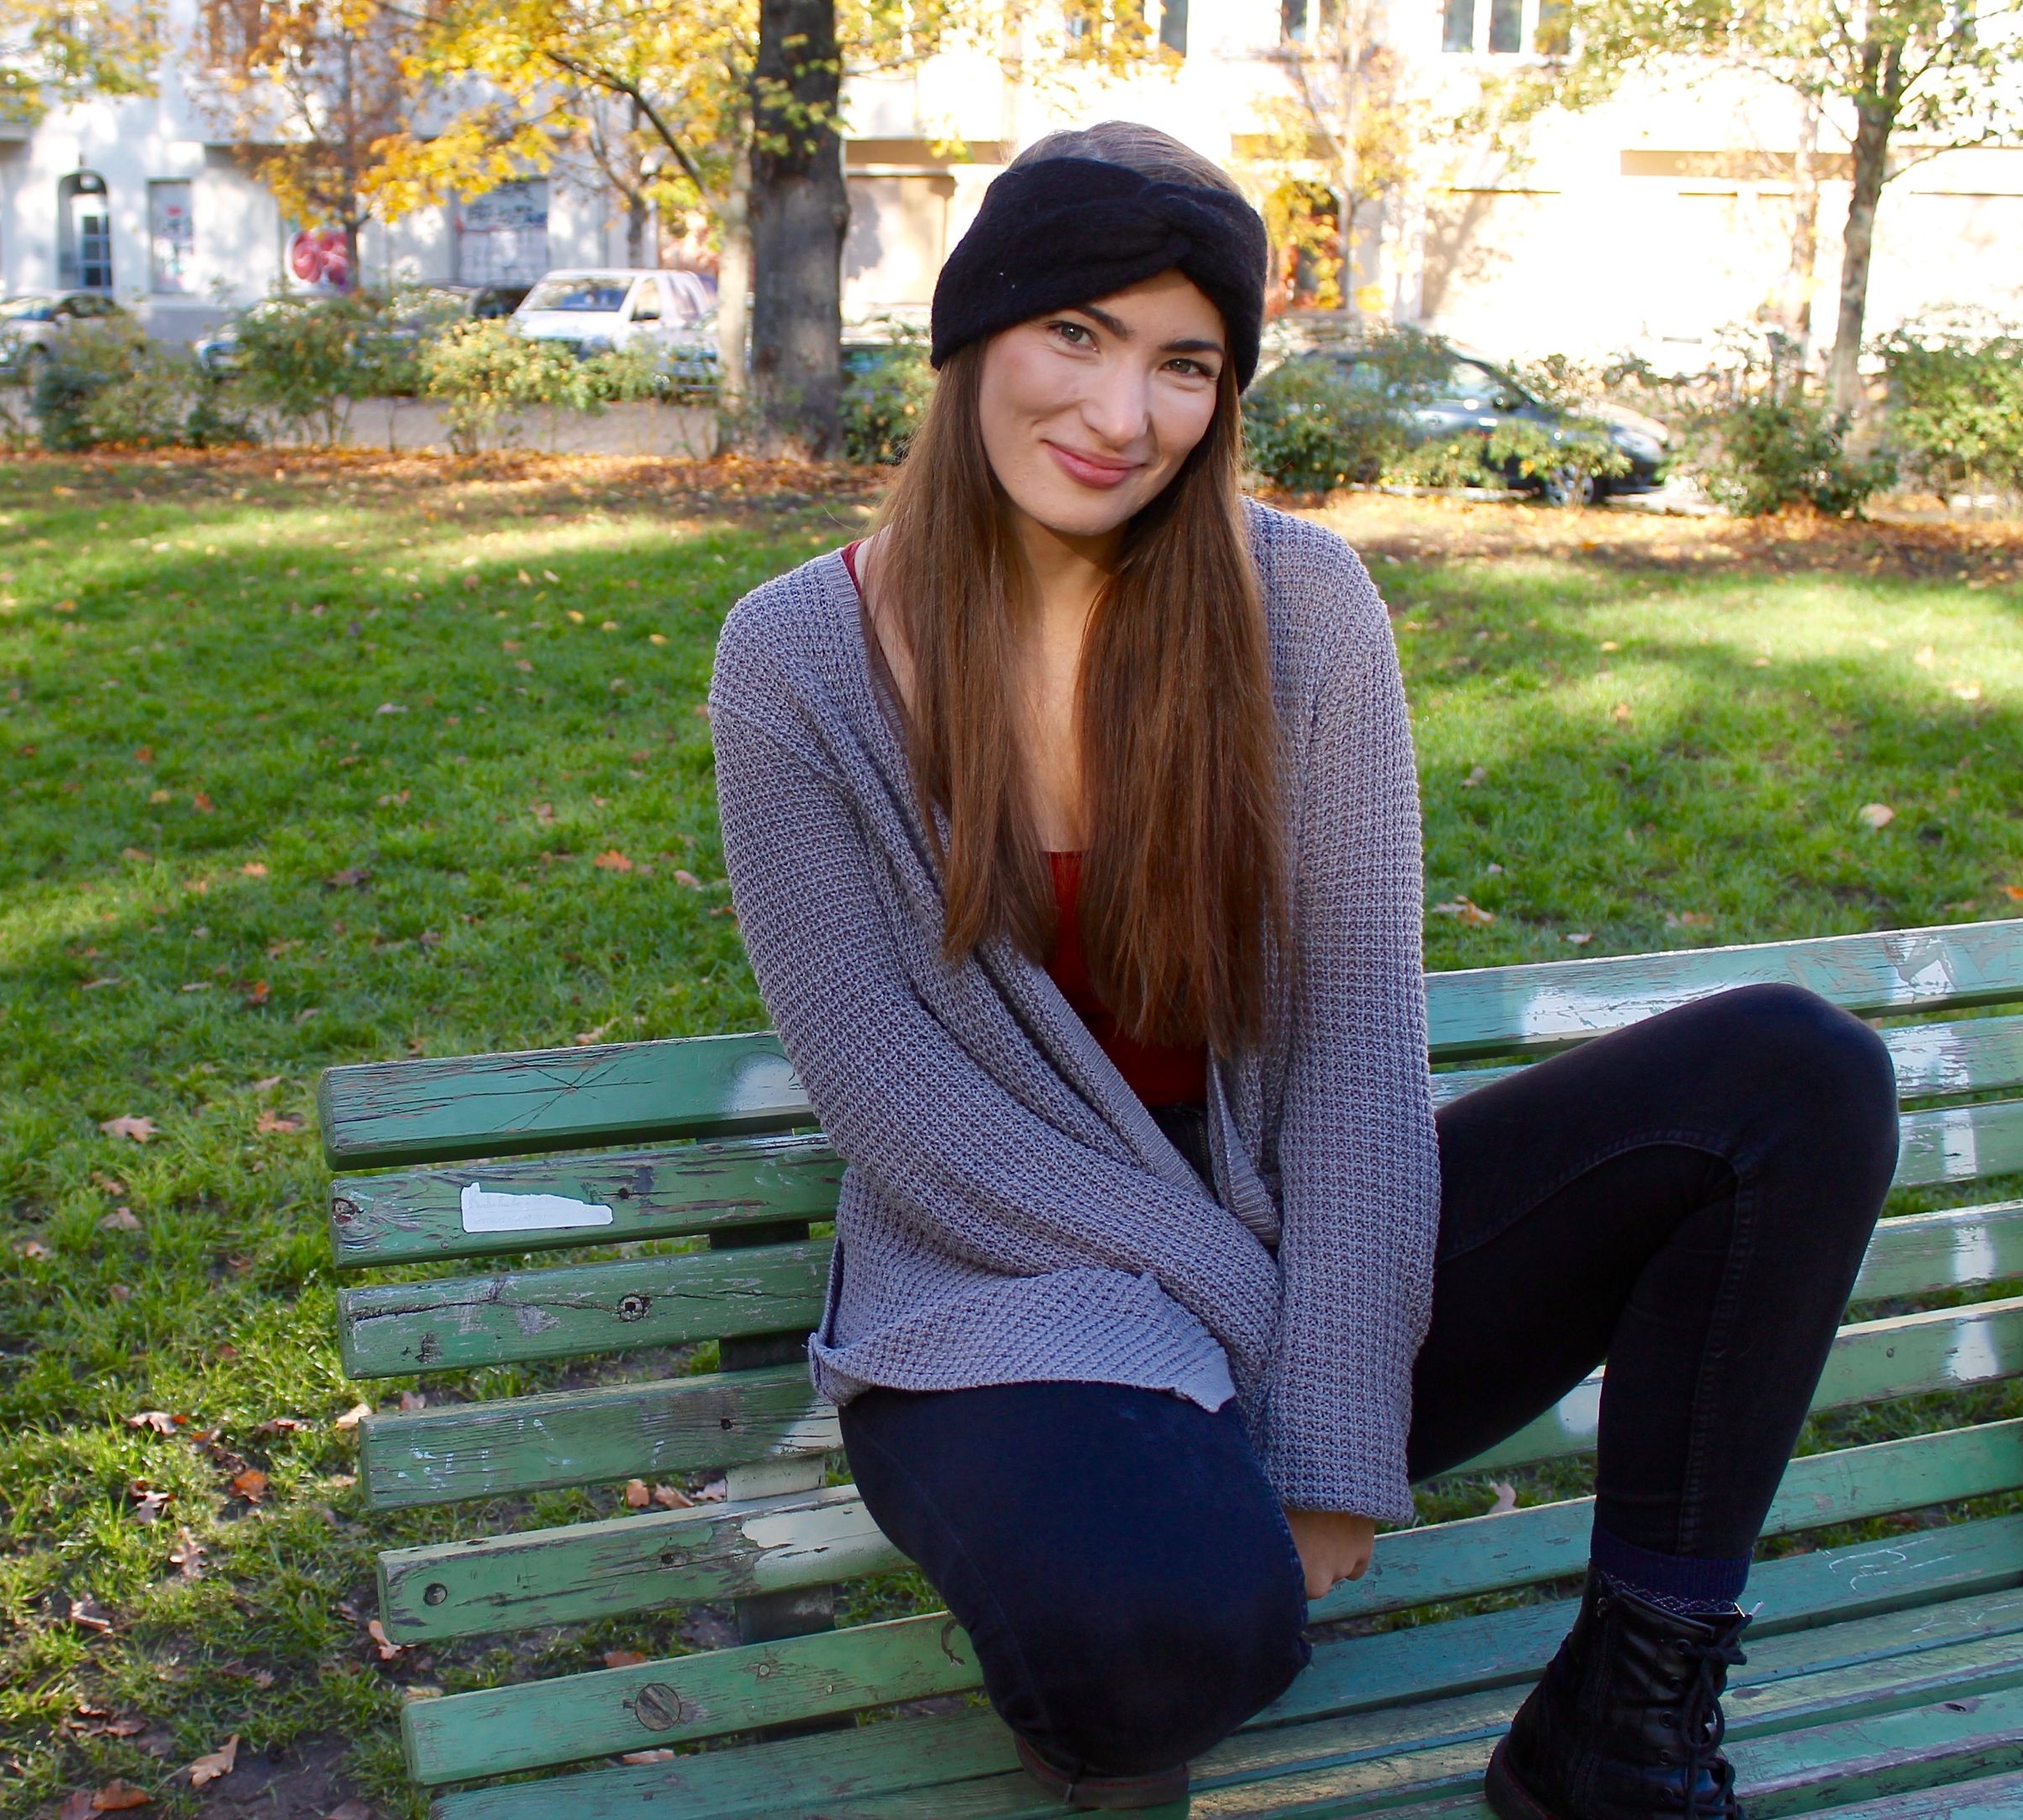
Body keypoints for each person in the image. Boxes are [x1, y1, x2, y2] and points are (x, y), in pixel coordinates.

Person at [707, 120, 1899, 1819]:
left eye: (1184, 364)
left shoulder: (1302, 607)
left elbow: (1352, 1048)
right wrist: (1267, 1318)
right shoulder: (795, 659)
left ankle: (1624, 1720)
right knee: (1165, 1646)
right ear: (973, 335)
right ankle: (1132, 1549)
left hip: (1303, 1266)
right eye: (1076, 334)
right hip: (992, 1292)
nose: (1122, 414)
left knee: (1795, 1079)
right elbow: (899, 1107)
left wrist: (1332, 1422)